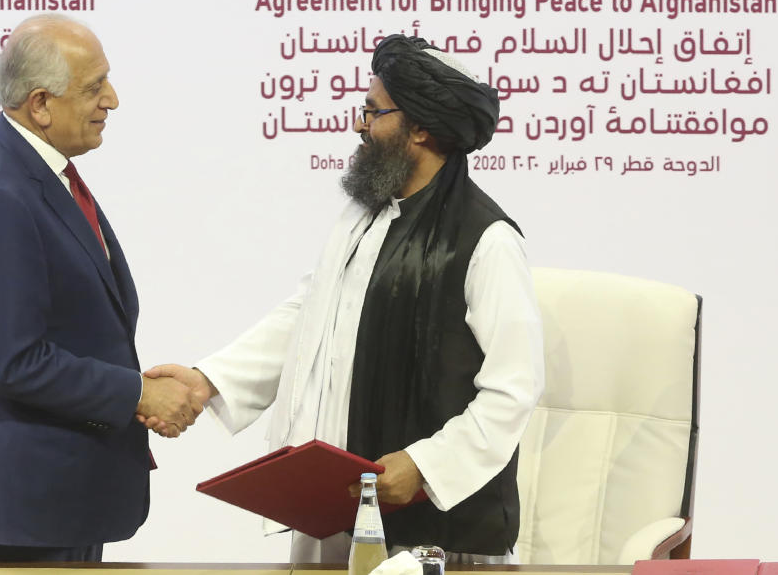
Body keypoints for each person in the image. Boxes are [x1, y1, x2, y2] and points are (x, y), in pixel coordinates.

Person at [146, 35, 545, 563]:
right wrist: (208, 380)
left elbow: (513, 389)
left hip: (439, 541)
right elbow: (307, 317)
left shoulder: (487, 240)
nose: (360, 124)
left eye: (373, 111)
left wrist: (426, 467)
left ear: (421, 127)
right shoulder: (364, 217)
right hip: (338, 516)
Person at [0, 14, 201, 563]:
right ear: (40, 104)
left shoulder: (36, 173)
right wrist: (137, 393)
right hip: (22, 517)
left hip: (58, 501)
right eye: (93, 87)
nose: (112, 100)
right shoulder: (0, 196)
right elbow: (14, 362)